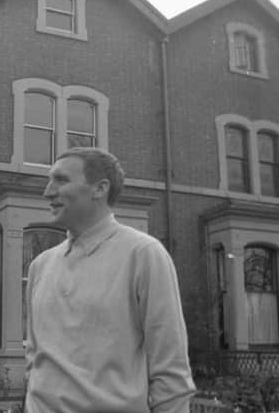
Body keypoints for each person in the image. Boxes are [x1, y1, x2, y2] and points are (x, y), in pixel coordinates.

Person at [25, 147, 195, 413]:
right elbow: (35, 356)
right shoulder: (41, 265)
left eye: (61, 180)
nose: (47, 191)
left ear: (99, 188)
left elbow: (171, 370)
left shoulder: (143, 254)